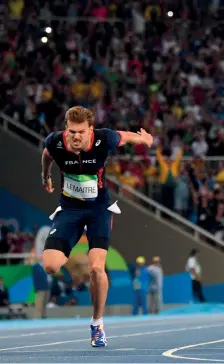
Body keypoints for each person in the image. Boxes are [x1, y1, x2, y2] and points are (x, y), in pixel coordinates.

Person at [41, 106, 154, 347]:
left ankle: (97, 324)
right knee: (50, 265)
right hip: (69, 210)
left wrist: (143, 138)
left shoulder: (105, 139)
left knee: (96, 268)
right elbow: (47, 154)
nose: (76, 137)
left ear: (90, 130)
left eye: (81, 132)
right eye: (71, 131)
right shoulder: (56, 142)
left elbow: (125, 136)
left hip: (98, 210)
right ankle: (75, 251)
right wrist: (45, 176)